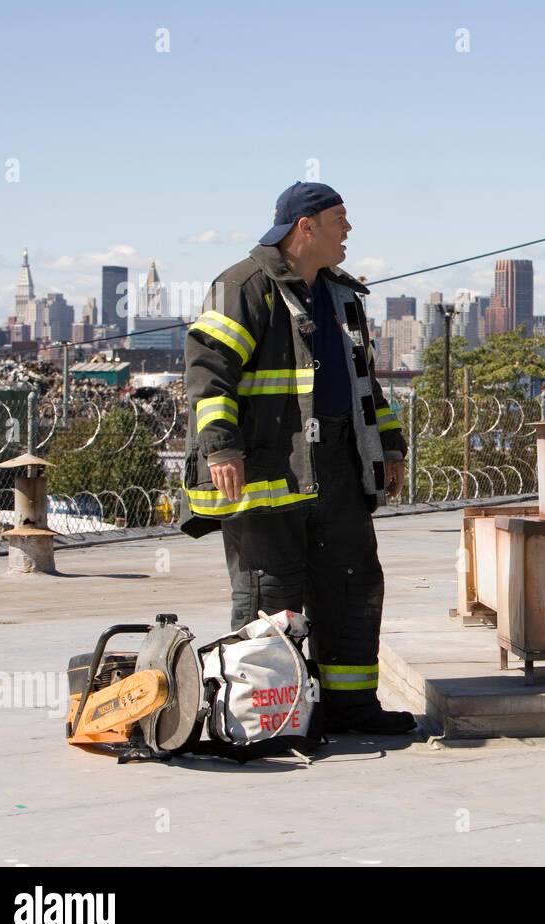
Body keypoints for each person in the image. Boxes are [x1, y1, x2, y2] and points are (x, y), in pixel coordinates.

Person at [180, 181, 416, 735]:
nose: (349, 230)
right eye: (341, 218)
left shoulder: (341, 294)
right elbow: (208, 371)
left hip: (337, 466)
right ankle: (272, 717)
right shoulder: (243, 286)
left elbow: (364, 386)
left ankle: (351, 708)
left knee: (351, 584)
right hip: (265, 468)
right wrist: (221, 447)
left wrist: (388, 447)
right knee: (271, 594)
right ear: (305, 227)